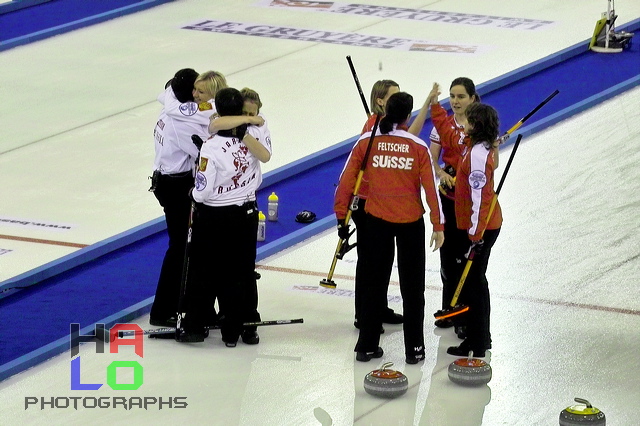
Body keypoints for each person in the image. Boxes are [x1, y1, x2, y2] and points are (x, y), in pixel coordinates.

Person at [335, 92, 445, 364]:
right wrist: (438, 224)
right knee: (412, 287)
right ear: (408, 116)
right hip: (410, 223)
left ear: (384, 112)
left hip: (375, 221)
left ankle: (366, 346)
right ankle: (414, 350)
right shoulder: (417, 146)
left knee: (373, 283)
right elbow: (431, 187)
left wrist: (341, 215)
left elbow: (346, 181)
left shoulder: (367, 140)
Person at [177, 87, 272, 345]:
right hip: (246, 213)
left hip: (214, 216)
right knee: (242, 271)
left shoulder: (211, 146)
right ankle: (239, 327)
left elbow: (204, 189)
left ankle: (196, 324)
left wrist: (193, 195)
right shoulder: (254, 130)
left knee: (204, 270)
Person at [352, 80, 436, 332]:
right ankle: (364, 314)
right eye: (393, 96)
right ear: (380, 101)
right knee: (371, 263)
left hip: (380, 202)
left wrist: (425, 104)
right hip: (369, 202)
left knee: (383, 261)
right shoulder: (373, 128)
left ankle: (378, 308)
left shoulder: (391, 125)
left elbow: (410, 137)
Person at [148, 68, 217, 328]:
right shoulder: (181, 123)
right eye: (196, 92)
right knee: (180, 248)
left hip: (167, 180)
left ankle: (182, 301)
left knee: (182, 246)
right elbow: (203, 153)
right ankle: (163, 308)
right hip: (176, 185)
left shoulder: (170, 103)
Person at [207, 87, 272, 345]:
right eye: (243, 112)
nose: (248, 115)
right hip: (224, 206)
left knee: (245, 268)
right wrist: (245, 120)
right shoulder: (226, 122)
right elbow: (215, 123)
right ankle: (228, 315)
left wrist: (246, 131)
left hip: (246, 205)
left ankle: (249, 320)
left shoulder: (258, 128)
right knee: (226, 268)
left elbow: (265, 155)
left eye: (252, 112)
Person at [443, 102, 502, 357]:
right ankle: (479, 337)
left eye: (467, 121)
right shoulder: (475, 148)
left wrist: (475, 235)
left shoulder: (478, 155)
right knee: (474, 281)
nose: (462, 124)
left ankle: (478, 340)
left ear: (476, 125)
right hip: (477, 225)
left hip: (481, 227)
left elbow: (481, 197)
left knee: (474, 283)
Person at [428, 78, 480, 337]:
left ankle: (464, 315)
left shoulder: (480, 124)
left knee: (464, 257)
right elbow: (432, 159)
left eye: (461, 96)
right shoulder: (445, 125)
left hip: (469, 204)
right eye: (452, 96)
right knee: (448, 257)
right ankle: (448, 309)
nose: (456, 101)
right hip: (447, 199)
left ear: (472, 98)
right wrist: (441, 174)